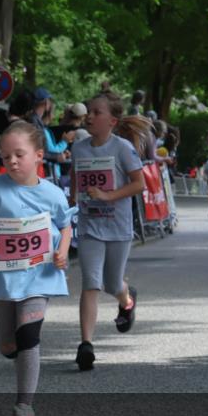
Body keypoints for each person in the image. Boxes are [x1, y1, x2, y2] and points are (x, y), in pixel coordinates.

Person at [0, 121, 74, 416]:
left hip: (40, 276)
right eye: (5, 155)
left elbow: (65, 225)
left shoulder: (51, 193)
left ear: (38, 156)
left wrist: (62, 250)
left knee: (28, 337)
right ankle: (12, 350)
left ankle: (24, 408)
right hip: (6, 280)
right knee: (9, 344)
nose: (11, 161)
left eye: (18, 154)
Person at [69, 92, 145, 371]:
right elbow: (76, 180)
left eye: (96, 112)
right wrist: (72, 201)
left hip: (117, 226)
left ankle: (127, 299)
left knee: (112, 285)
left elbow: (139, 185)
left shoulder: (123, 148)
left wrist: (107, 195)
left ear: (112, 121)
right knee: (91, 282)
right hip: (90, 225)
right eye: (88, 111)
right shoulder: (79, 148)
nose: (89, 116)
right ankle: (85, 345)